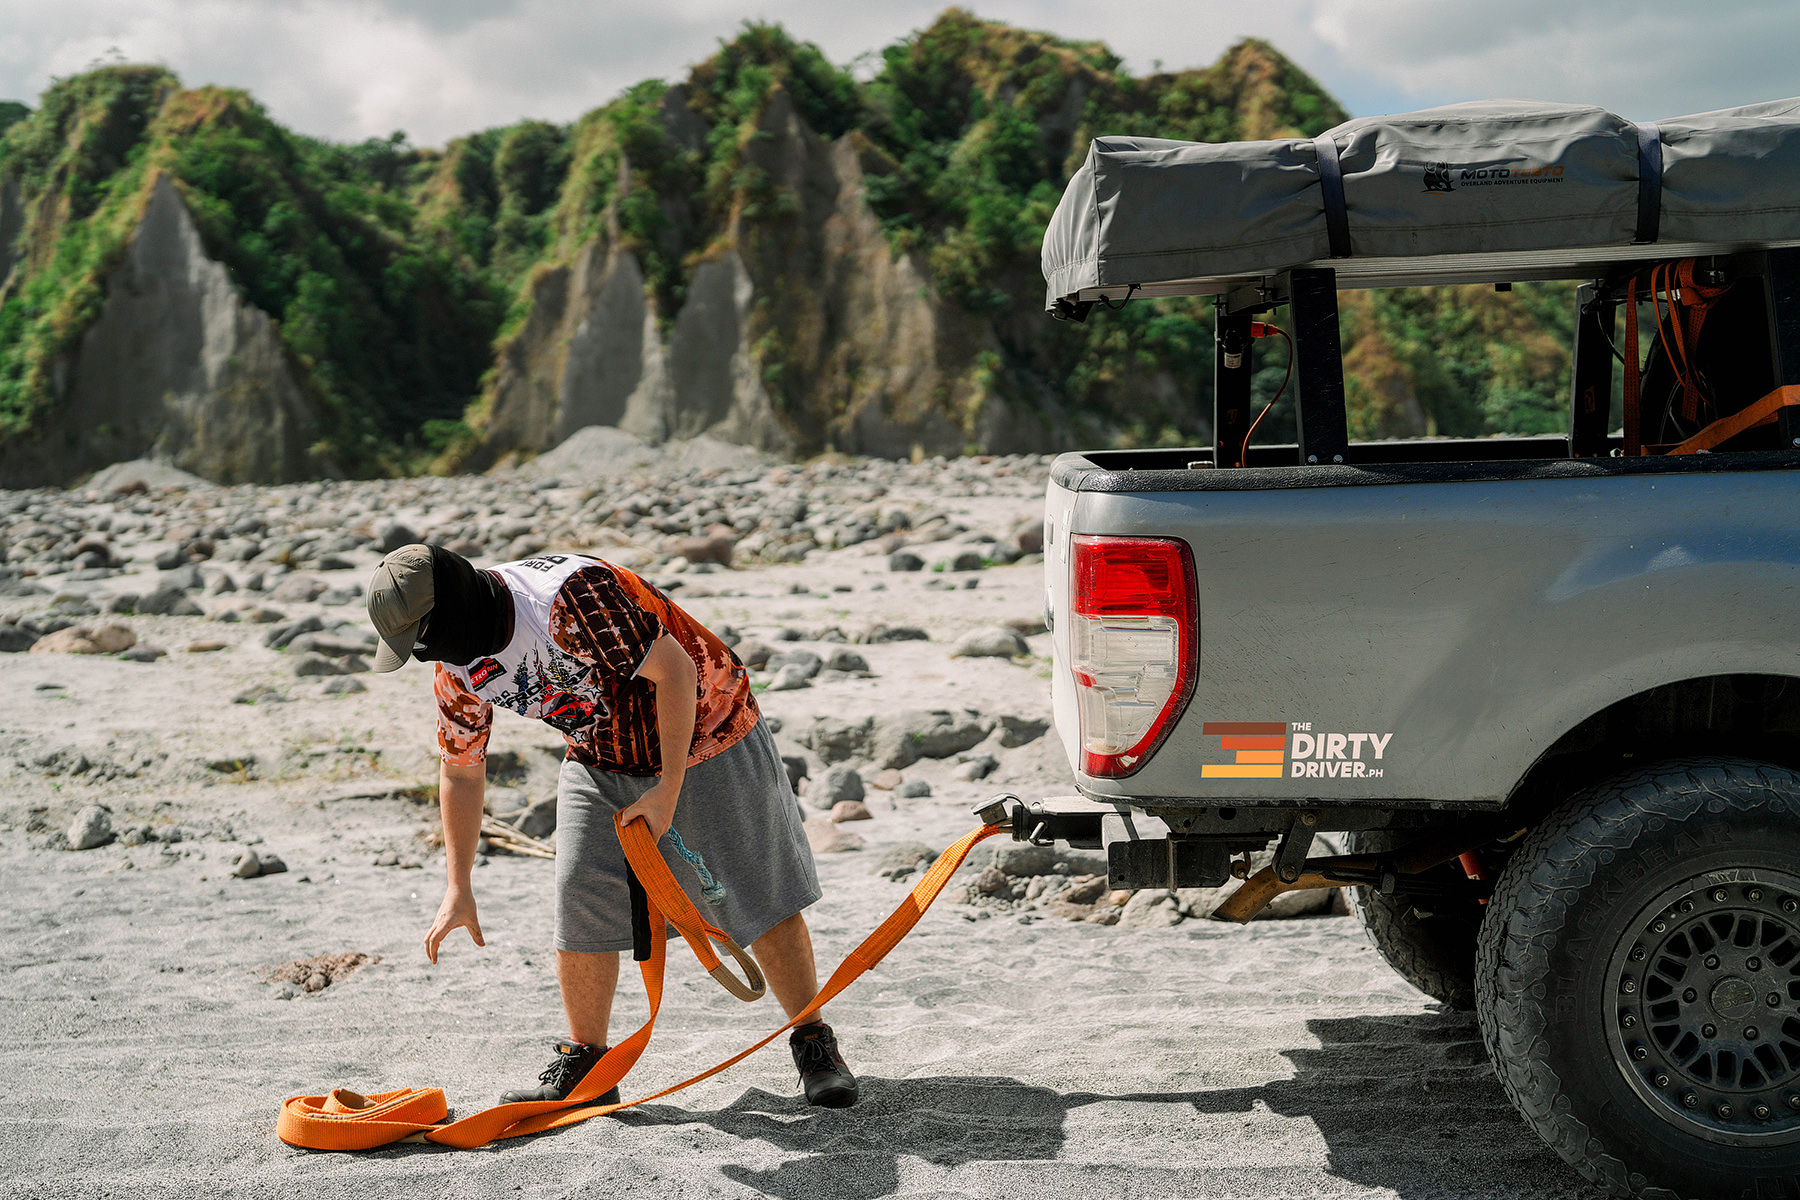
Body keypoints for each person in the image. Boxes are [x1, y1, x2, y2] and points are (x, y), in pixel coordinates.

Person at [366, 543, 857, 1108]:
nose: (427, 659)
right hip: (600, 752)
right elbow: (461, 769)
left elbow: (676, 672)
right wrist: (458, 885)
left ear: (448, 618)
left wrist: (667, 788)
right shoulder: (456, 668)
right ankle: (587, 1064)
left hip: (708, 728)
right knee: (580, 894)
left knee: (757, 894)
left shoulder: (569, 598)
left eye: (421, 643)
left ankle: (813, 1040)